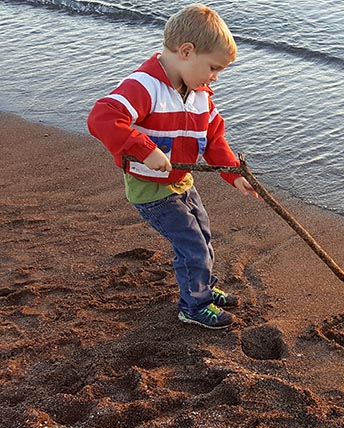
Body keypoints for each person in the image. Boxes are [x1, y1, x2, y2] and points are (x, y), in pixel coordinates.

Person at [88, 3, 257, 330]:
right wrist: (143, 148)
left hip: (181, 181)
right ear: (186, 52)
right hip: (150, 189)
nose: (215, 78)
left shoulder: (199, 94)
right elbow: (102, 117)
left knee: (203, 235)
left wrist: (233, 174)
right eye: (213, 67)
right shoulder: (144, 86)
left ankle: (203, 287)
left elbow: (213, 139)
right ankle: (194, 306)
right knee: (190, 242)